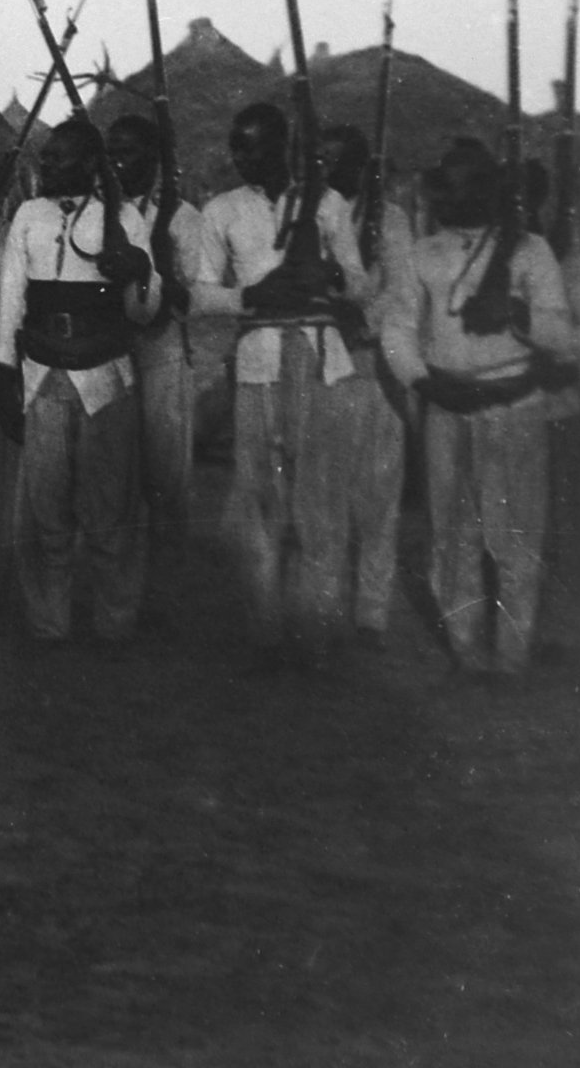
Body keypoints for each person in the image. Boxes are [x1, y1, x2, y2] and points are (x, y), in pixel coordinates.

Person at [191, 102, 375, 666]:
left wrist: (331, 274)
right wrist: (252, 296)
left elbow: (361, 285)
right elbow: (200, 294)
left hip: (322, 359)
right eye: (236, 146)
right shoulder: (221, 210)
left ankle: (317, 633)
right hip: (258, 362)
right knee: (259, 501)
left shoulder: (328, 203)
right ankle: (265, 632)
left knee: (321, 502)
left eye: (254, 145)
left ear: (282, 146)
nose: (242, 157)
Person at [383, 138, 574, 680]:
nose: (450, 197)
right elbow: (398, 327)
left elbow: (562, 334)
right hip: (446, 407)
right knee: (452, 535)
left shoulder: (531, 250)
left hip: (514, 409)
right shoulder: (422, 254)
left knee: (516, 539)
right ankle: (465, 650)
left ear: (490, 190)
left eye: (464, 186)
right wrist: (423, 382)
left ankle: (512, 656)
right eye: (445, 187)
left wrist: (516, 313)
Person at [0, 119, 159, 645]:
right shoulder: (29, 215)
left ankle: (115, 622)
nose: (47, 166)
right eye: (46, 157)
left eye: (59, 158)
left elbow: (145, 311)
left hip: (105, 381)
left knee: (111, 509)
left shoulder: (124, 217)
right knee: (44, 510)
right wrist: (3, 373)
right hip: (43, 377)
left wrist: (138, 269)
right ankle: (49, 623)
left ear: (89, 164)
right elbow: (11, 301)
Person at [319, 123, 416, 646]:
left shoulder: (390, 220)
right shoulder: (308, 214)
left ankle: (372, 612)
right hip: (323, 365)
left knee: (378, 496)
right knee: (325, 494)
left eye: (338, 160)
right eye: (320, 158)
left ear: (360, 168)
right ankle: (326, 605)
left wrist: (365, 320)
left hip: (374, 366)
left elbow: (403, 293)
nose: (327, 168)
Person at [105, 115, 207, 584]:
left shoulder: (183, 218)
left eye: (127, 153)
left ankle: (168, 584)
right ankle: (123, 587)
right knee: (116, 479)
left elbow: (194, 294)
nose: (116, 164)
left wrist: (157, 275)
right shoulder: (101, 215)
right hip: (111, 354)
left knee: (166, 477)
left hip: (162, 352)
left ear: (153, 159)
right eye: (111, 154)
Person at [523, 158, 580, 659]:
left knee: (562, 522)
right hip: (506, 409)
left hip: (554, 408)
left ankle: (561, 627)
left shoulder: (565, 261)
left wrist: (551, 355)